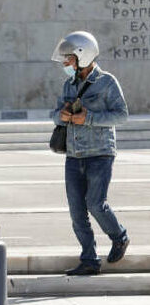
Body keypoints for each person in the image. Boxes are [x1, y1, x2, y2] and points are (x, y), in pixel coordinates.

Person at [50, 31, 129, 276]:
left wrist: (89, 118)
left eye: (69, 59)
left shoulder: (107, 82)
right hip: (74, 155)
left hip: (100, 154)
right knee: (77, 212)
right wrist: (61, 116)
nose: (65, 64)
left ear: (83, 57)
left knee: (96, 204)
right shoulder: (68, 85)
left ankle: (119, 237)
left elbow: (121, 115)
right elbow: (54, 115)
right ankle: (89, 259)